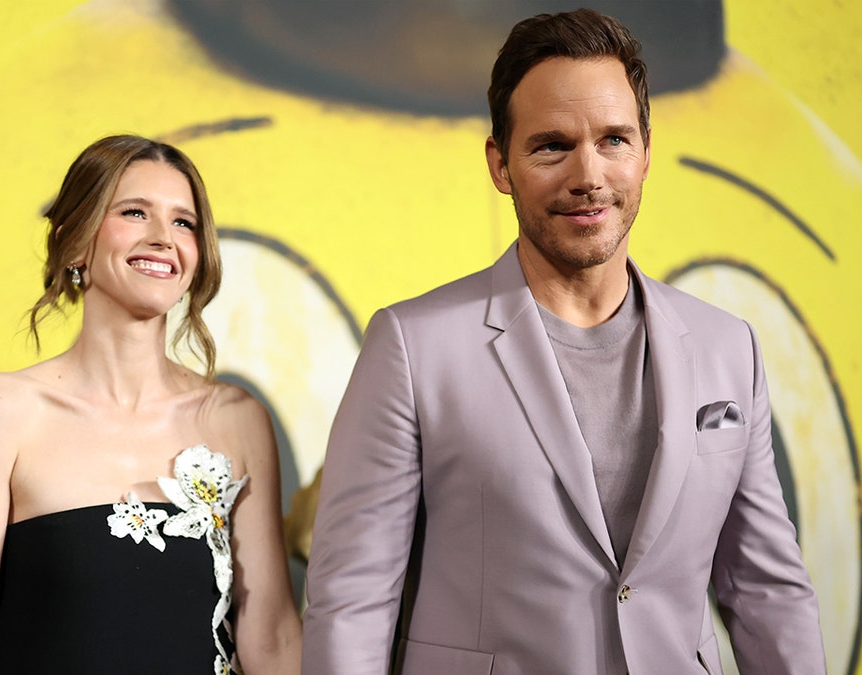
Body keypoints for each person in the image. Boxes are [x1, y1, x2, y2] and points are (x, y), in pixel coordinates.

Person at [302, 9, 824, 675]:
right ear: (500, 164)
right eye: (552, 146)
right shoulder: (412, 346)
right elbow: (353, 601)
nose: (589, 175)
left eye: (614, 140)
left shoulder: (729, 347)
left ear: (645, 151)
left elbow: (766, 588)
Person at [0, 135, 302, 674]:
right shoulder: (2, 412)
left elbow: (273, 636)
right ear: (75, 242)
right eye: (134, 213)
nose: (163, 238)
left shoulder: (236, 418)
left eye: (183, 222)